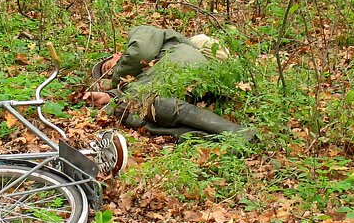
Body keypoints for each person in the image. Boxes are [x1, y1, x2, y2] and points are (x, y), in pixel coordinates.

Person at [83, 25, 256, 142]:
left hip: (186, 65)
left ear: (116, 55)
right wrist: (109, 97)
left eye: (109, 67)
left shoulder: (145, 33)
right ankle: (213, 138)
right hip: (191, 86)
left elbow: (138, 53)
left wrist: (115, 83)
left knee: (142, 105)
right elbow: (134, 92)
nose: (113, 72)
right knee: (135, 115)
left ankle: (238, 133)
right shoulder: (142, 78)